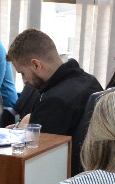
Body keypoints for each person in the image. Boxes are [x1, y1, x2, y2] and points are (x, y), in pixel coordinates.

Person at [6, 29, 103, 174]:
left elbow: (34, 157)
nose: (24, 80)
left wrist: (18, 133)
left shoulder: (54, 102)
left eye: (22, 73)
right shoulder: (89, 81)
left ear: (36, 65)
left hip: (58, 176)